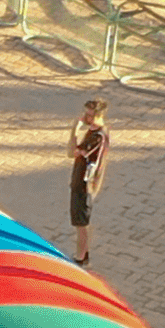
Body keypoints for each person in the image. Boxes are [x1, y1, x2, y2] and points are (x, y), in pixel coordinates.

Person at [69, 98, 109, 266]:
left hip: (85, 184)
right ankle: (83, 255)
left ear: (98, 116)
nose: (85, 117)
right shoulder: (94, 132)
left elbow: (72, 153)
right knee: (80, 222)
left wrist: (74, 132)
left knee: (81, 223)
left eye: (89, 115)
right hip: (80, 180)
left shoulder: (97, 137)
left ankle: (80, 258)